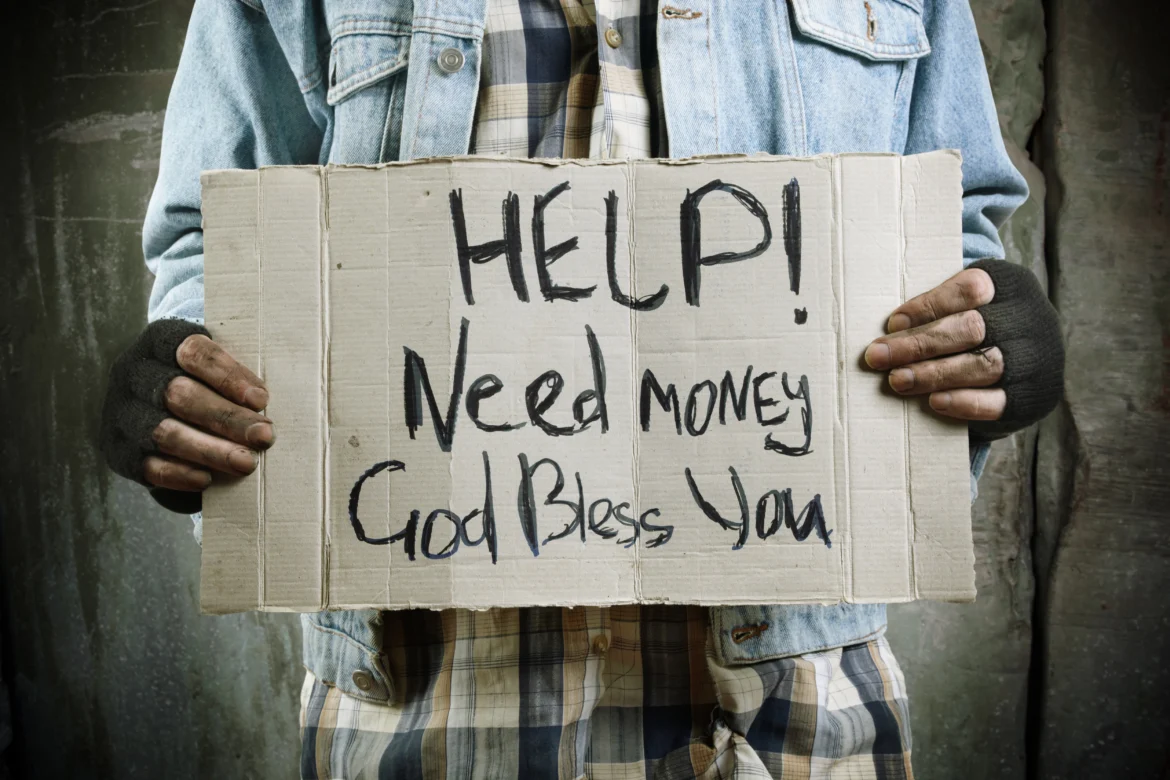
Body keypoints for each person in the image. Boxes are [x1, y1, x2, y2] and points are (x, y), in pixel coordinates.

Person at [100, 1, 1064, 777]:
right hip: (424, 722)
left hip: (791, 721)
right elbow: (212, 242)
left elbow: (955, 234)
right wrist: (187, 389)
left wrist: (993, 338)